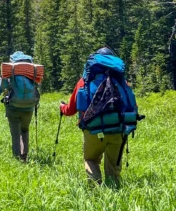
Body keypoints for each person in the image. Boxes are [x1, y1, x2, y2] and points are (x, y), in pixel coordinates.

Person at [59, 47, 139, 186]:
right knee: (113, 166)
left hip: (93, 128)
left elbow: (71, 109)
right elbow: (133, 107)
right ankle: (114, 193)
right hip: (119, 128)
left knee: (91, 160)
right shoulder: (122, 81)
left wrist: (62, 107)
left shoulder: (84, 82)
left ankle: (96, 193)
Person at [0, 51, 40, 162]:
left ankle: (17, 159)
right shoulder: (31, 71)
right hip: (29, 107)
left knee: (15, 133)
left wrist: (2, 79)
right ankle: (25, 156)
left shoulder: (10, 70)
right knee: (25, 130)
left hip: (13, 107)